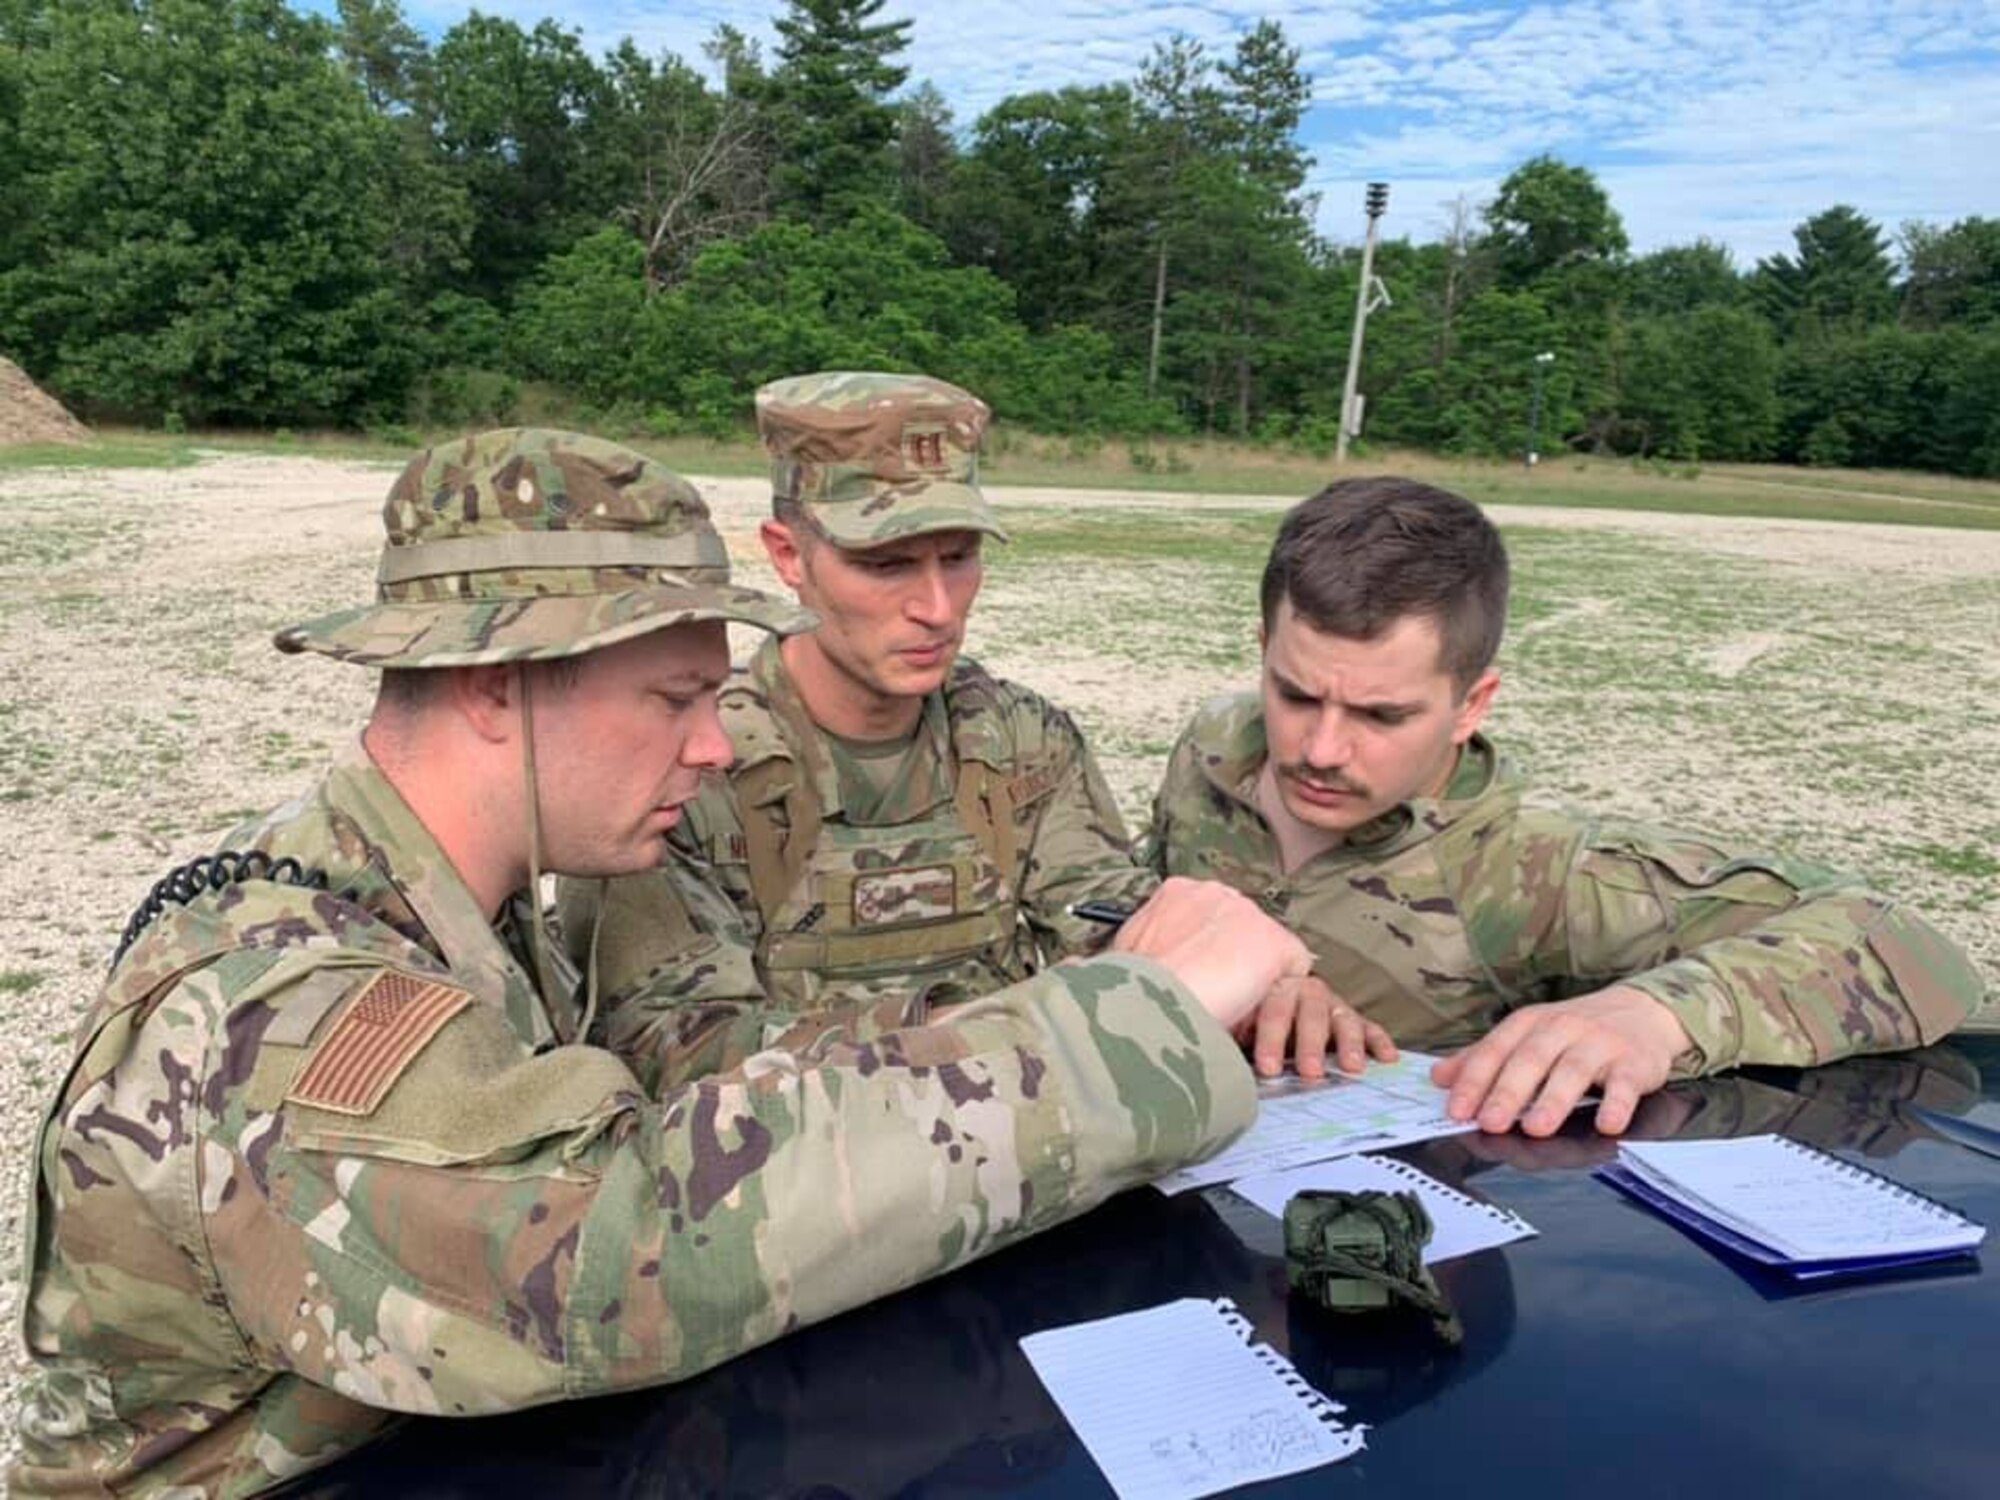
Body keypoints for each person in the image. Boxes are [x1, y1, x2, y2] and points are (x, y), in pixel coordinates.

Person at [13, 429, 1310, 1499]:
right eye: (674, 698)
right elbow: (619, 1255)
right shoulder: (282, 1008)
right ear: (495, 685)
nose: (711, 749)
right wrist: (1125, 1024)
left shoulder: (449, 897)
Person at [563, 371, 1363, 1093]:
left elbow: (1111, 918)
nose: (938, 608)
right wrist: (1012, 1028)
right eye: (887, 565)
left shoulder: (1018, 741)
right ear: (787, 556)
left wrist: (1261, 988)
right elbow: (684, 1053)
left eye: (959, 555)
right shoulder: (694, 770)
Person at [1149, 476, 1985, 1138]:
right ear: (1263, 652)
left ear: (1472, 704)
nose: (1321, 749)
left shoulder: (1531, 873)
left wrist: (1655, 1015)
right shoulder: (1213, 751)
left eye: (1382, 715)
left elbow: (1912, 952)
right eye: (1295, 694)